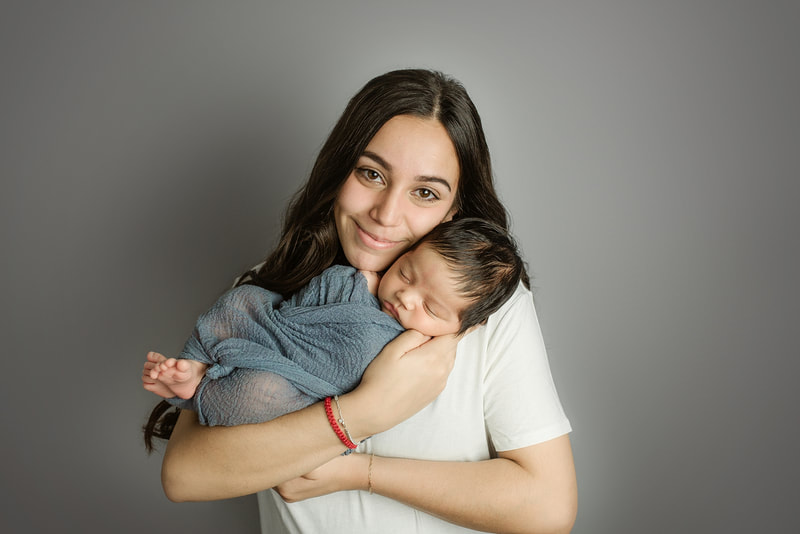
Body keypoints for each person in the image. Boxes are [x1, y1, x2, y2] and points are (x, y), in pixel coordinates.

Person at [143, 68, 577, 534]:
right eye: (371, 173)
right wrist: (364, 413)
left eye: (425, 192)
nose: (386, 214)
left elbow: (547, 509)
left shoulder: (491, 315)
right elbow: (184, 475)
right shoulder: (267, 290)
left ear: (453, 212)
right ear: (338, 171)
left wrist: (358, 474)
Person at [142, 218, 526, 430]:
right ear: (408, 252)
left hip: (297, 383)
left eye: (431, 307)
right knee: (245, 300)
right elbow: (304, 304)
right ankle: (199, 366)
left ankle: (200, 388)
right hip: (278, 330)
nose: (407, 299)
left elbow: (351, 362)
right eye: (407, 275)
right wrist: (352, 286)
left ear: (463, 327)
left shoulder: (425, 350)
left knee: (261, 392)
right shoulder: (361, 276)